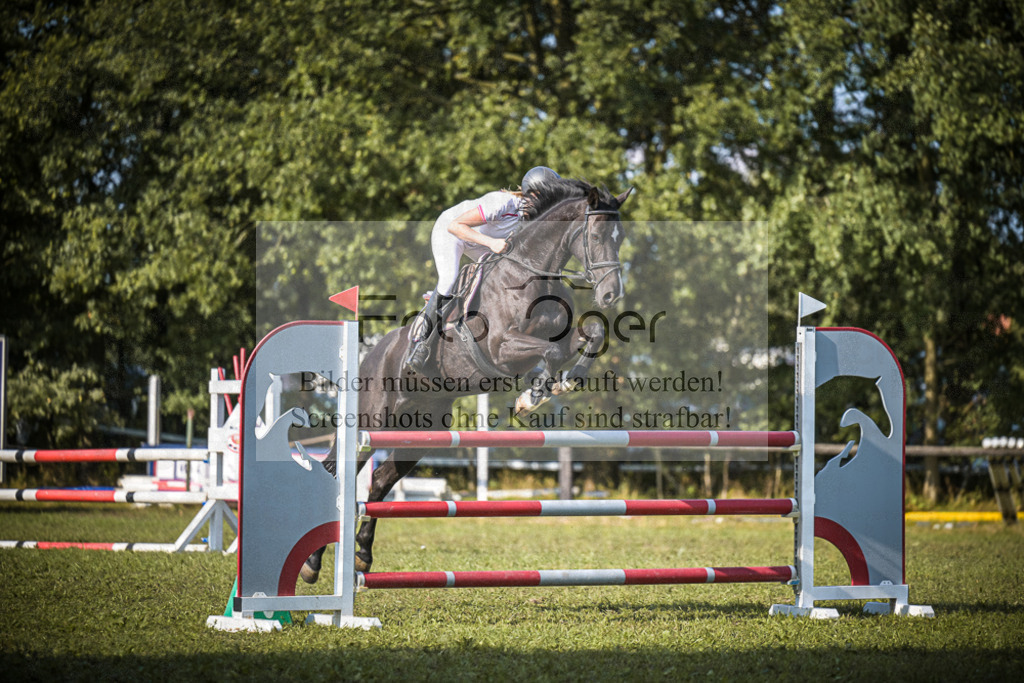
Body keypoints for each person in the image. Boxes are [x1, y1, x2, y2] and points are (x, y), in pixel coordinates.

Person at [403, 166, 561, 374]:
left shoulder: (530, 220)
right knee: (449, 279)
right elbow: (456, 226)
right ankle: (421, 343)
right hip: (451, 231)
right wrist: (491, 242)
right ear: (535, 194)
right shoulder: (503, 203)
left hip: (481, 242)